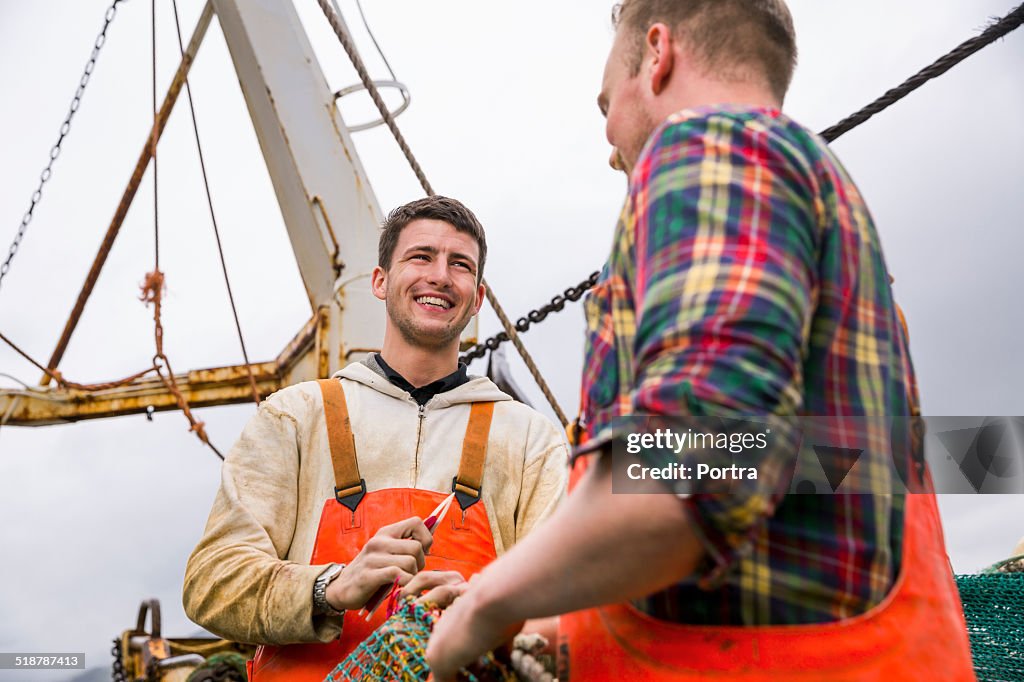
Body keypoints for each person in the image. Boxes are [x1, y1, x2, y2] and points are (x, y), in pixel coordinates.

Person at [426, 2, 975, 680]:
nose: (608, 143)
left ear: (657, 55)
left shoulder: (712, 146)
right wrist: (539, 625)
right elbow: (778, 523)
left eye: (606, 103)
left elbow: (702, 460)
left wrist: (487, 600)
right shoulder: (827, 223)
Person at [183, 196, 567, 681]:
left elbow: (565, 605)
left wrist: (482, 608)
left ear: (477, 299)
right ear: (380, 281)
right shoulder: (295, 416)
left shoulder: (530, 439)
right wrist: (330, 587)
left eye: (460, 265)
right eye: (421, 257)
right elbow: (211, 582)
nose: (441, 276)